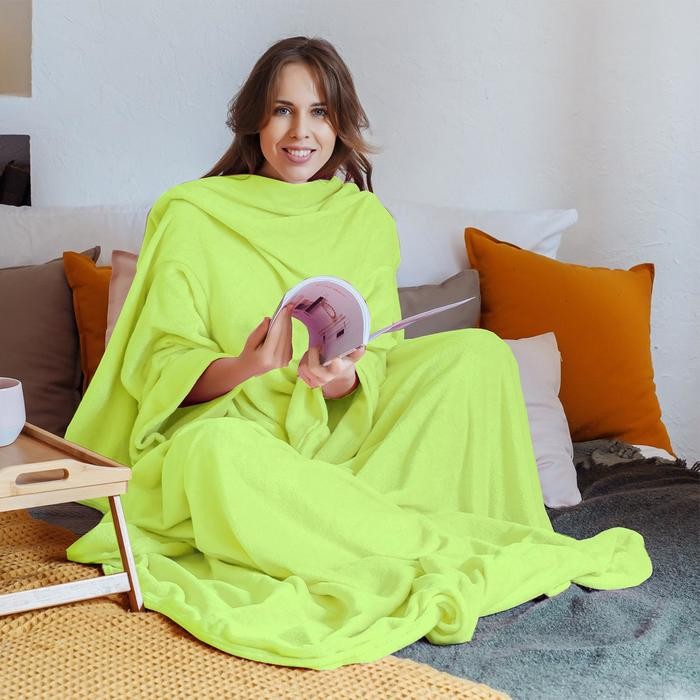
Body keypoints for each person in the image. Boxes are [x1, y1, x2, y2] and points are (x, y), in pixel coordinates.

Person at [65, 36, 652, 670]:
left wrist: (339, 376)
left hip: (345, 435)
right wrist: (249, 366)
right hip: (238, 433)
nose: (301, 131)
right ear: (254, 119)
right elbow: (158, 365)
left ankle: (359, 528)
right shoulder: (191, 214)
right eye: (283, 110)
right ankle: (423, 548)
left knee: (478, 356)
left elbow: (379, 355)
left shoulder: (365, 220)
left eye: (319, 112)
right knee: (214, 452)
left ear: (340, 123)